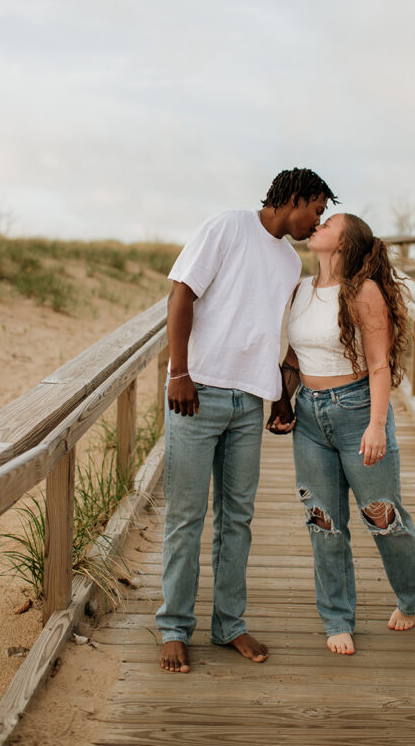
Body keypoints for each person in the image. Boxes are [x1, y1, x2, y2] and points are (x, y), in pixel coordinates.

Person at [156, 168, 338, 673]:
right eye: (317, 209)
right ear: (295, 197)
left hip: (247, 404)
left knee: (237, 520)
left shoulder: (287, 261)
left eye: (324, 215)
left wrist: (279, 391)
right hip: (198, 393)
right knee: (186, 517)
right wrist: (179, 372)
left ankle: (228, 624)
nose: (316, 221)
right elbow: (181, 296)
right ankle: (174, 626)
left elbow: (267, 328)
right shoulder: (228, 227)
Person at [267, 212, 415, 656]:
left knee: (383, 517)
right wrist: (283, 400)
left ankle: (411, 597)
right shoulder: (300, 288)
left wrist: (377, 425)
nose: (317, 224)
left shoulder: (364, 292)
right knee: (323, 522)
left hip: (357, 411)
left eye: (329, 223)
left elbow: (379, 364)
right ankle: (337, 617)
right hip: (310, 418)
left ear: (344, 243)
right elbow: (295, 359)